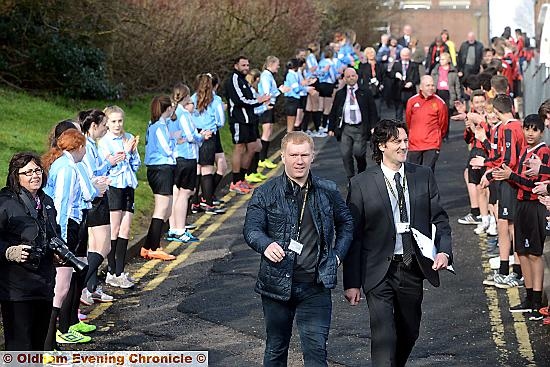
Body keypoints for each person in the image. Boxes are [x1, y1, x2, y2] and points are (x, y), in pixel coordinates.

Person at [344, 119, 453, 367]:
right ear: (382, 146)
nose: (404, 146)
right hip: (378, 270)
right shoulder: (360, 184)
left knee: (409, 331)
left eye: (405, 140)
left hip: (412, 266)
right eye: (397, 142)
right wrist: (351, 282)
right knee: (384, 336)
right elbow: (354, 235)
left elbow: (440, 220)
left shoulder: (423, 175)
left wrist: (444, 252)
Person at [243, 131, 353, 366]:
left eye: (304, 155)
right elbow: (251, 229)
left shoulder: (328, 190)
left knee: (316, 354)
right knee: (276, 348)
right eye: (293, 155)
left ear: (313, 156)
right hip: (276, 285)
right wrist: (266, 244)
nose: (299, 160)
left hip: (315, 286)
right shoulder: (265, 192)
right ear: (283, 157)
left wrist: (337, 256)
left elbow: (347, 223)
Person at [491, 114, 550, 320]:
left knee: (534, 253)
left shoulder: (543, 152)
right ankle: (528, 297)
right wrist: (506, 176)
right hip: (521, 205)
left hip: (535, 207)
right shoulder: (525, 150)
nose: (530, 133)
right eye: (527, 129)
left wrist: (512, 176)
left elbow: (535, 186)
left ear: (542, 131)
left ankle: (537, 301)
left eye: (535, 129)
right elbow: (519, 181)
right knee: (522, 252)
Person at [0, 152, 58, 350]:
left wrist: (59, 252)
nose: (35, 175)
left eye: (37, 170)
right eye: (28, 172)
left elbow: (53, 234)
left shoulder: (47, 202)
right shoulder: (5, 202)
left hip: (44, 285)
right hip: (17, 290)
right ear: (16, 176)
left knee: (37, 346)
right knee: (19, 347)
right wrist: (9, 251)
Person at [43, 128, 92, 345]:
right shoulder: (67, 169)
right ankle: (49, 341)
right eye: (85, 149)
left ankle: (51, 340)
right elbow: (61, 205)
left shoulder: (63, 164)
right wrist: (61, 240)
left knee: (61, 286)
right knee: (60, 288)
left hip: (65, 227)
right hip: (64, 228)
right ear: (79, 147)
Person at [99, 106, 141, 275]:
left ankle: (120, 271)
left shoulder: (129, 137)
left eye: (120, 121)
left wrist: (130, 152)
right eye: (113, 121)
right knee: (114, 229)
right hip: (114, 186)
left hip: (129, 186)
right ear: (107, 123)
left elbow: (136, 164)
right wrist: (124, 152)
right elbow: (107, 166)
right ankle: (111, 270)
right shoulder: (104, 142)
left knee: (125, 229)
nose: (117, 125)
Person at [224, 56, 270, 194]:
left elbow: (249, 97)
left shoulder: (243, 80)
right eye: (243, 65)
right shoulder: (233, 79)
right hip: (239, 119)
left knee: (253, 147)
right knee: (239, 147)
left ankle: (242, 178)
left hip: (250, 119)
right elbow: (240, 100)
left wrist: (258, 101)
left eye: (247, 65)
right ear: (236, 65)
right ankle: (235, 181)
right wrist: (259, 101)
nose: (246, 68)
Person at [142, 96, 177, 261]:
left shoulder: (156, 125)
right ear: (168, 108)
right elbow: (167, 149)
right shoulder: (159, 127)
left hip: (161, 168)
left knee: (167, 209)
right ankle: (154, 247)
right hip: (161, 168)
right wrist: (175, 140)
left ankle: (148, 246)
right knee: (162, 208)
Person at [328, 67, 378, 179]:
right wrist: (331, 127)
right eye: (348, 77)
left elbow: (372, 111)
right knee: (345, 154)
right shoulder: (340, 94)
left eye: (353, 76)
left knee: (359, 153)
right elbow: (334, 111)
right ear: (344, 79)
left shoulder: (365, 92)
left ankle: (361, 173)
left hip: (360, 128)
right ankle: (351, 178)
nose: (351, 78)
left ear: (357, 76)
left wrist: (373, 126)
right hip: (346, 128)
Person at [405, 75, 448, 171]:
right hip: (414, 144)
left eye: (432, 85)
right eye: (428, 85)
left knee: (426, 173)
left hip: (432, 144)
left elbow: (443, 124)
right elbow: (408, 121)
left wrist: (437, 137)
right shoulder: (412, 101)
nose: (431, 88)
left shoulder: (440, 103)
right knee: (412, 174)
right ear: (421, 87)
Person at [258, 56, 290, 168]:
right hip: (266, 106)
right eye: (277, 64)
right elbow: (267, 94)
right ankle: (261, 159)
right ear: (271, 64)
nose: (279, 66)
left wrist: (278, 90)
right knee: (266, 133)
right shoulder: (266, 76)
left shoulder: (269, 75)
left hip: (270, 106)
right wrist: (280, 90)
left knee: (269, 132)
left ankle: (263, 158)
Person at [390, 47, 420, 120]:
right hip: (399, 91)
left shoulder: (414, 65)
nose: (405, 57)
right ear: (400, 55)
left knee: (410, 112)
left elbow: (417, 78)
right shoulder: (396, 64)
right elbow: (390, 74)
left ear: (409, 55)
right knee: (398, 113)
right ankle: (399, 129)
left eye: (406, 55)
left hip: (410, 91)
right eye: (403, 55)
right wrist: (395, 75)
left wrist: (412, 83)